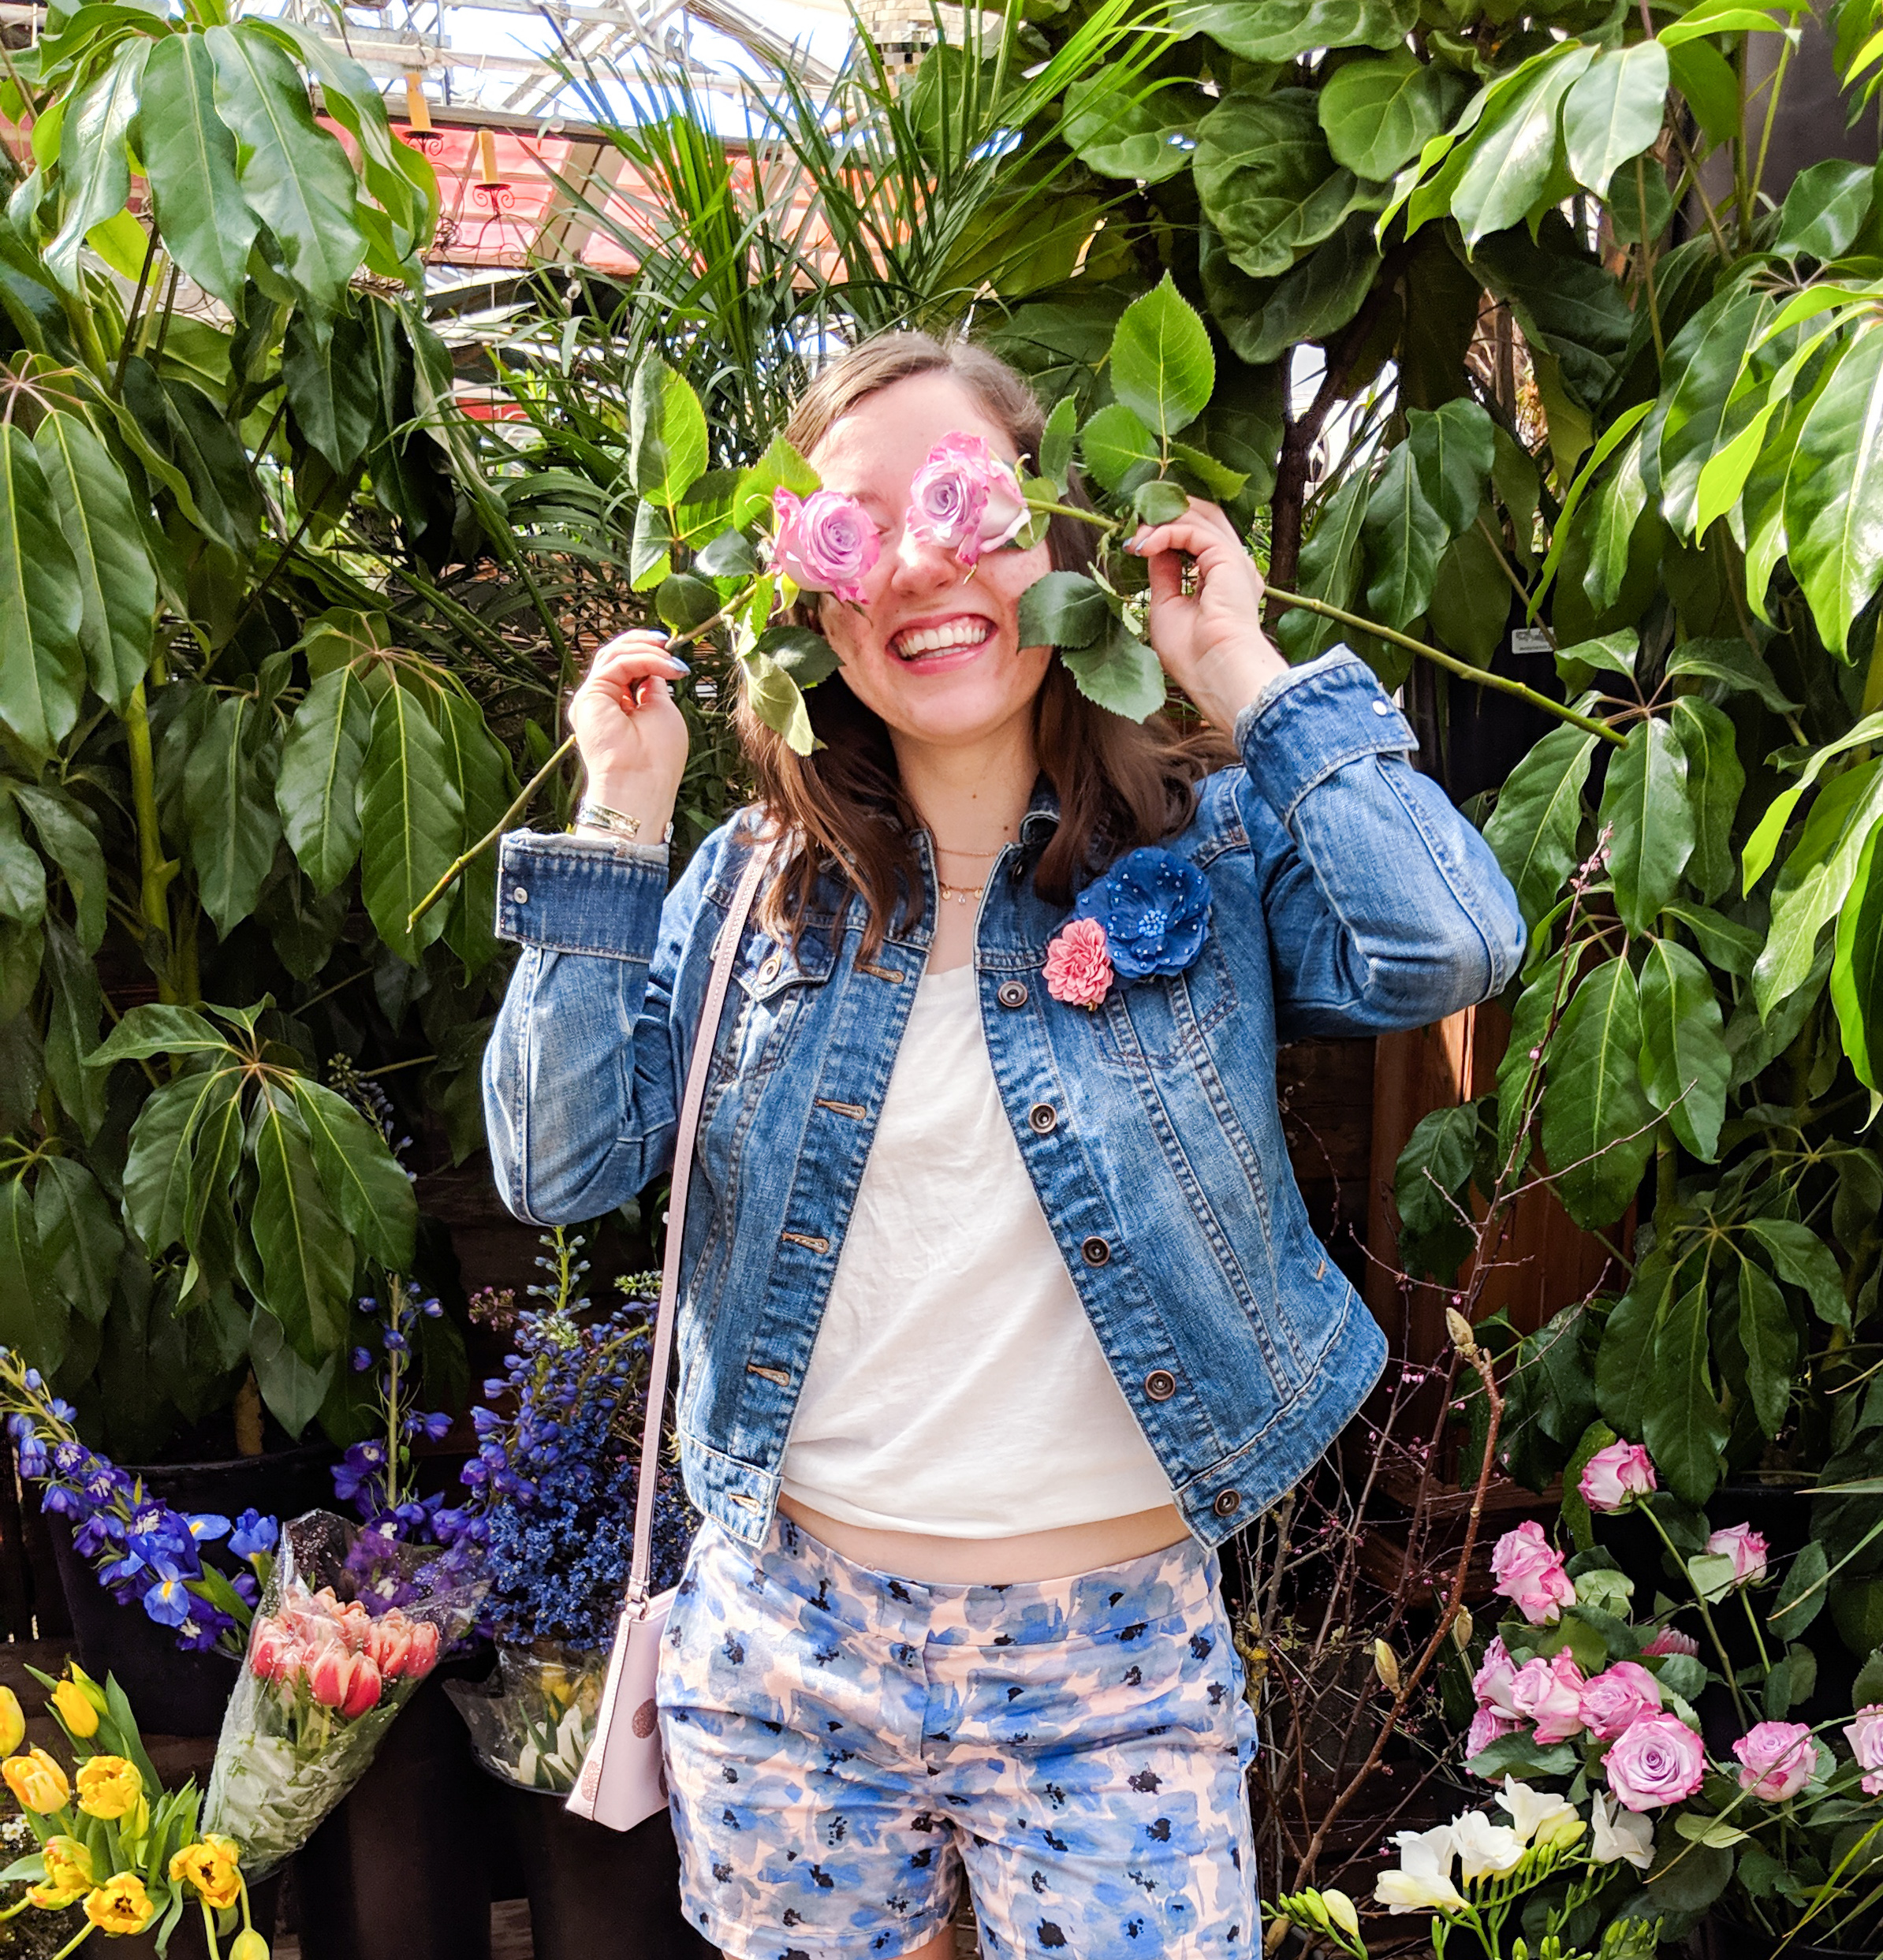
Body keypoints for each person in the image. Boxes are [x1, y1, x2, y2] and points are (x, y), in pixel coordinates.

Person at [483, 333, 1526, 1960]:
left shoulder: (1214, 844)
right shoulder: (754, 886)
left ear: (1057, 535)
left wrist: (1238, 666)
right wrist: (620, 813)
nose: (918, 563)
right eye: (856, 527)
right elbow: (556, 1170)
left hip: (1113, 1658)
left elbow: (1452, 941)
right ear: (801, 599)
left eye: (964, 502)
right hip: (794, 1647)